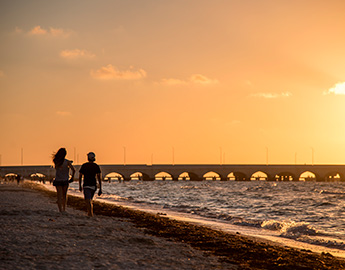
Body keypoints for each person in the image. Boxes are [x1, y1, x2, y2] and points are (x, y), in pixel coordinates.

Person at [79, 152, 102, 217]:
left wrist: (80, 185)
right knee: (89, 200)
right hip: (94, 185)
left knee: (88, 200)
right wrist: (100, 188)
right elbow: (99, 178)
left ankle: (90, 214)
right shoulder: (96, 166)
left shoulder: (84, 166)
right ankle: (90, 213)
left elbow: (80, 176)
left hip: (86, 185)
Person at [52, 148, 75, 213]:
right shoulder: (67, 162)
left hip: (58, 180)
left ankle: (60, 210)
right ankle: (64, 209)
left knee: (59, 196)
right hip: (65, 180)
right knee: (64, 195)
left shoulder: (56, 161)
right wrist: (72, 177)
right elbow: (73, 170)